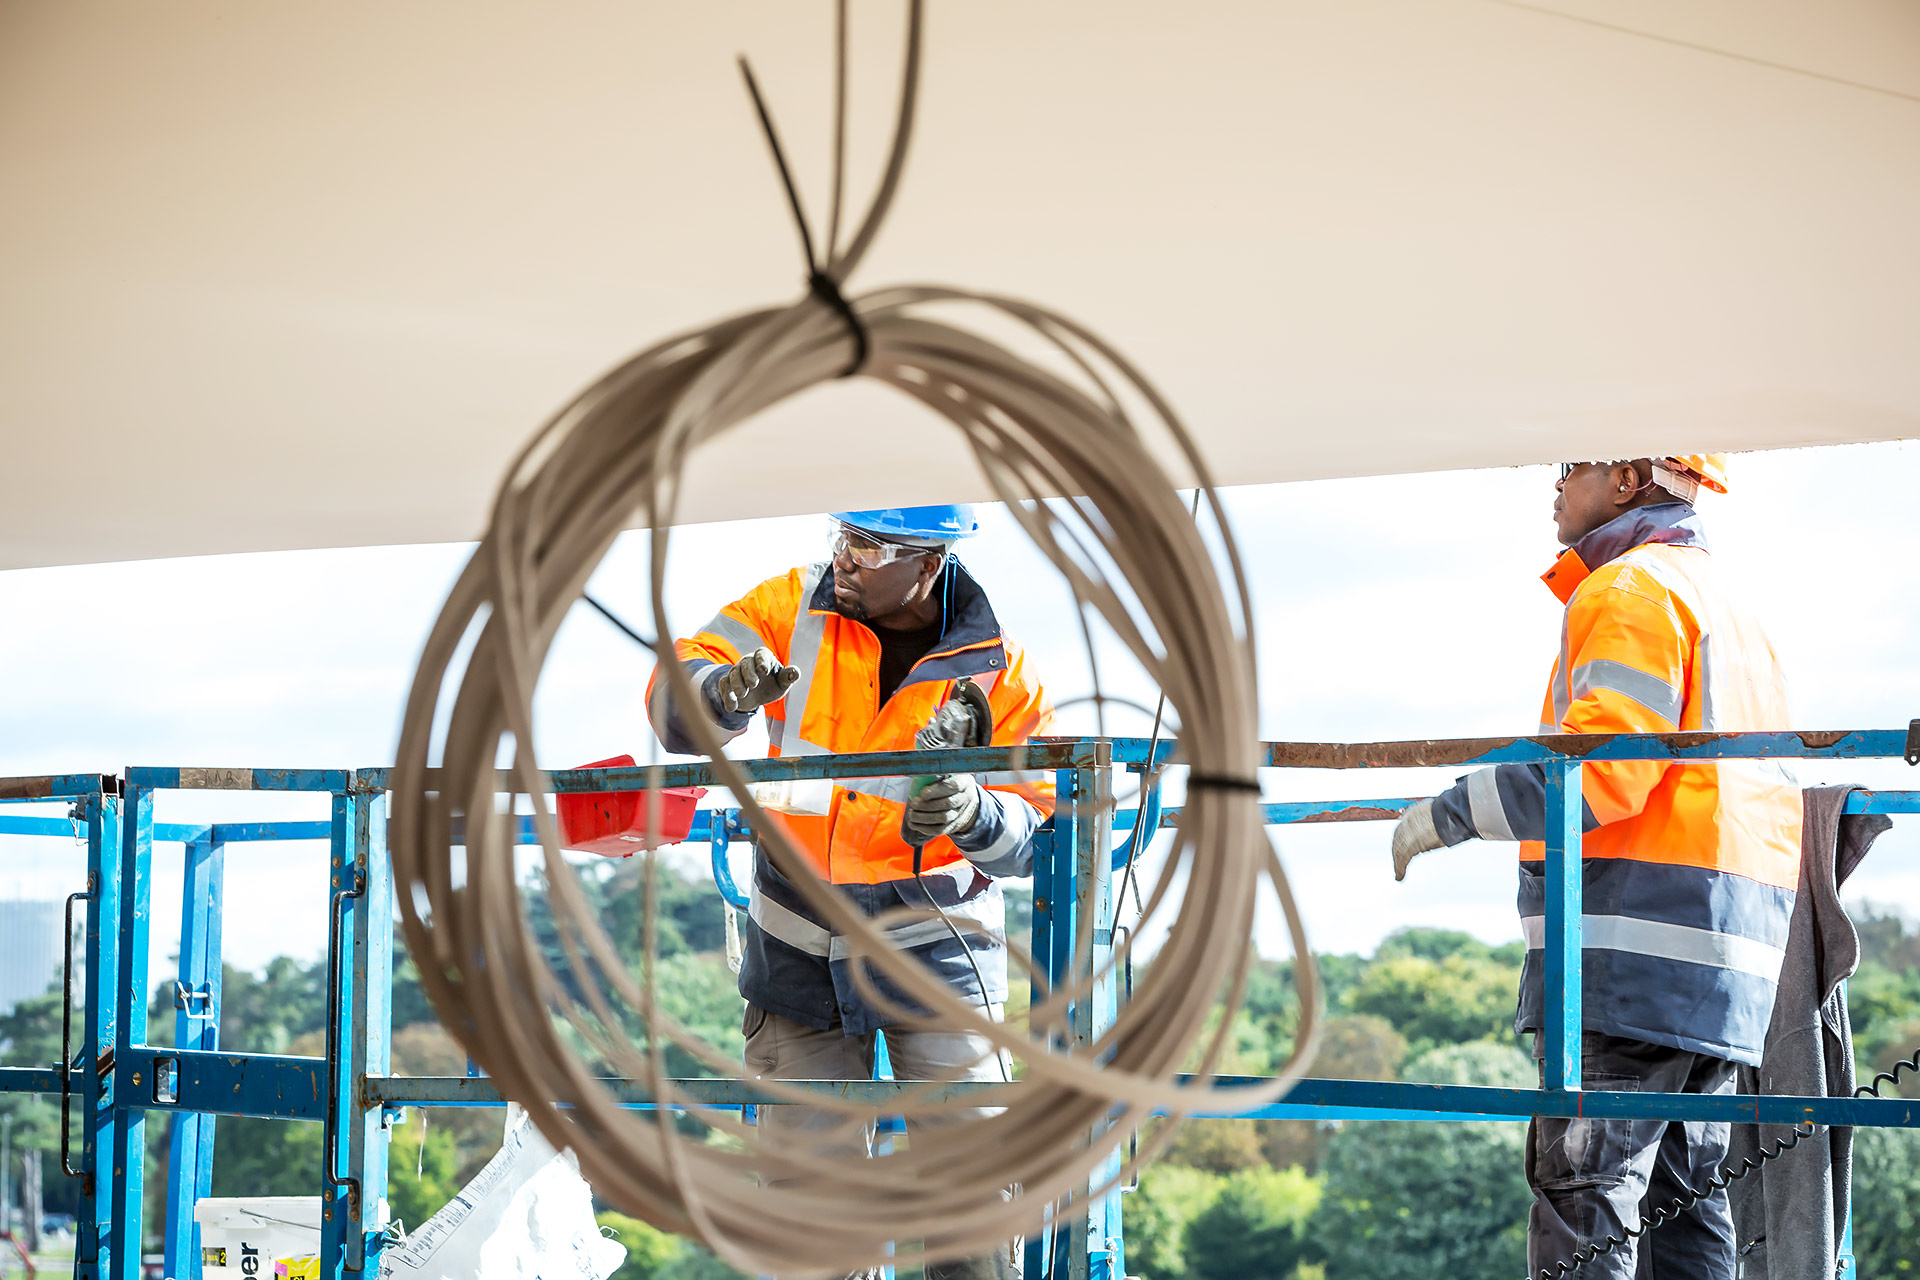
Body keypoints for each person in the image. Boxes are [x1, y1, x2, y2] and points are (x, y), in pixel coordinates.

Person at [1389, 455, 1802, 1279]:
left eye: (1569, 467)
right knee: (1685, 1206)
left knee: (1588, 1193)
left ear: (1625, 479)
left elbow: (1604, 767)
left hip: (1629, 959)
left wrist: (1450, 813)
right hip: (1725, 964)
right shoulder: (1729, 599)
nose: (1553, 484)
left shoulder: (1630, 590)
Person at [648, 504, 1051, 1280]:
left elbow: (1040, 831)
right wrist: (722, 694)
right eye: (842, 538)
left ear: (929, 563)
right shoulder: (788, 607)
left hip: (938, 946)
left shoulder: (1002, 671)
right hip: (797, 939)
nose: (844, 558)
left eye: (867, 547)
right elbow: (676, 692)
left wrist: (973, 813)